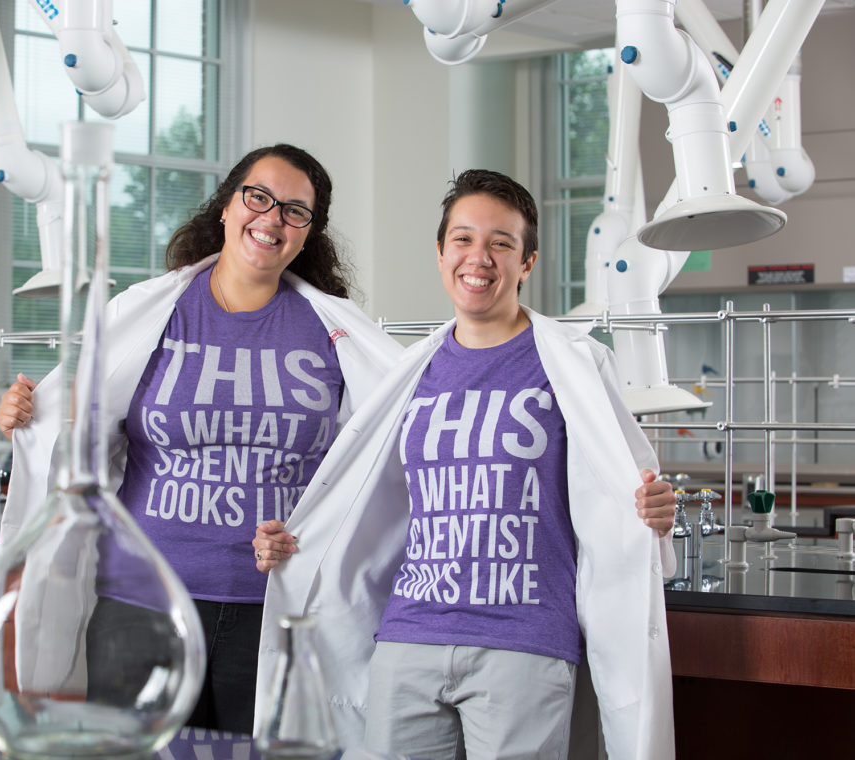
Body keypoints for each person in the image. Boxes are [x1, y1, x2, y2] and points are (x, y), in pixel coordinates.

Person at [252, 169, 675, 759]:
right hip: (408, 638)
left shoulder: (575, 365)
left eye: (502, 243)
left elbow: (622, 486)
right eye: (463, 239)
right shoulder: (408, 372)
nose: (480, 257)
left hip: (523, 644)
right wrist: (295, 538)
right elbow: (357, 493)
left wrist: (654, 509)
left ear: (526, 262)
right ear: (441, 251)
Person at [0, 144, 405, 732]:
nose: (271, 218)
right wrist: (24, 417)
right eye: (257, 197)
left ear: (307, 233)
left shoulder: (333, 331)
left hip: (275, 609)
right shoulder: (150, 313)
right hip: (141, 606)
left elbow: (373, 457)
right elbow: (75, 427)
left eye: (294, 211)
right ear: (226, 205)